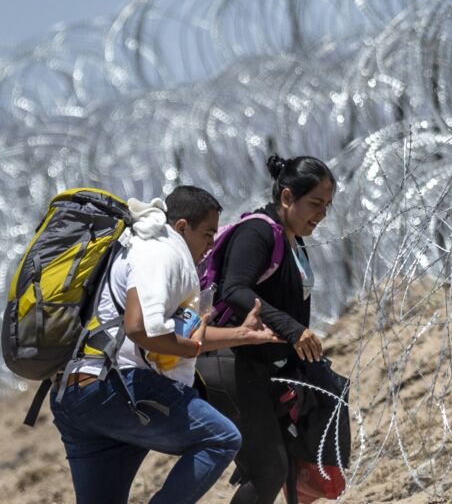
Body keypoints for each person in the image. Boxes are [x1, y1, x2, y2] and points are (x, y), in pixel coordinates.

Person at [50, 186, 282, 504]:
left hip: (75, 394)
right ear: (182, 227)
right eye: (208, 234)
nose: (212, 244)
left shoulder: (133, 247)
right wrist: (191, 350)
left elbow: (173, 333)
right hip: (117, 388)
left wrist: (241, 334)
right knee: (221, 438)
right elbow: (139, 327)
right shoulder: (160, 250)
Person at [206, 154, 336, 504]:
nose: (321, 214)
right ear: (287, 197)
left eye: (327, 206)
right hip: (234, 363)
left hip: (267, 369)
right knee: (269, 471)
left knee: (287, 466)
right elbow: (235, 289)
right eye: (315, 203)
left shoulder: (295, 240)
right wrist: (292, 329)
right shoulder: (258, 231)